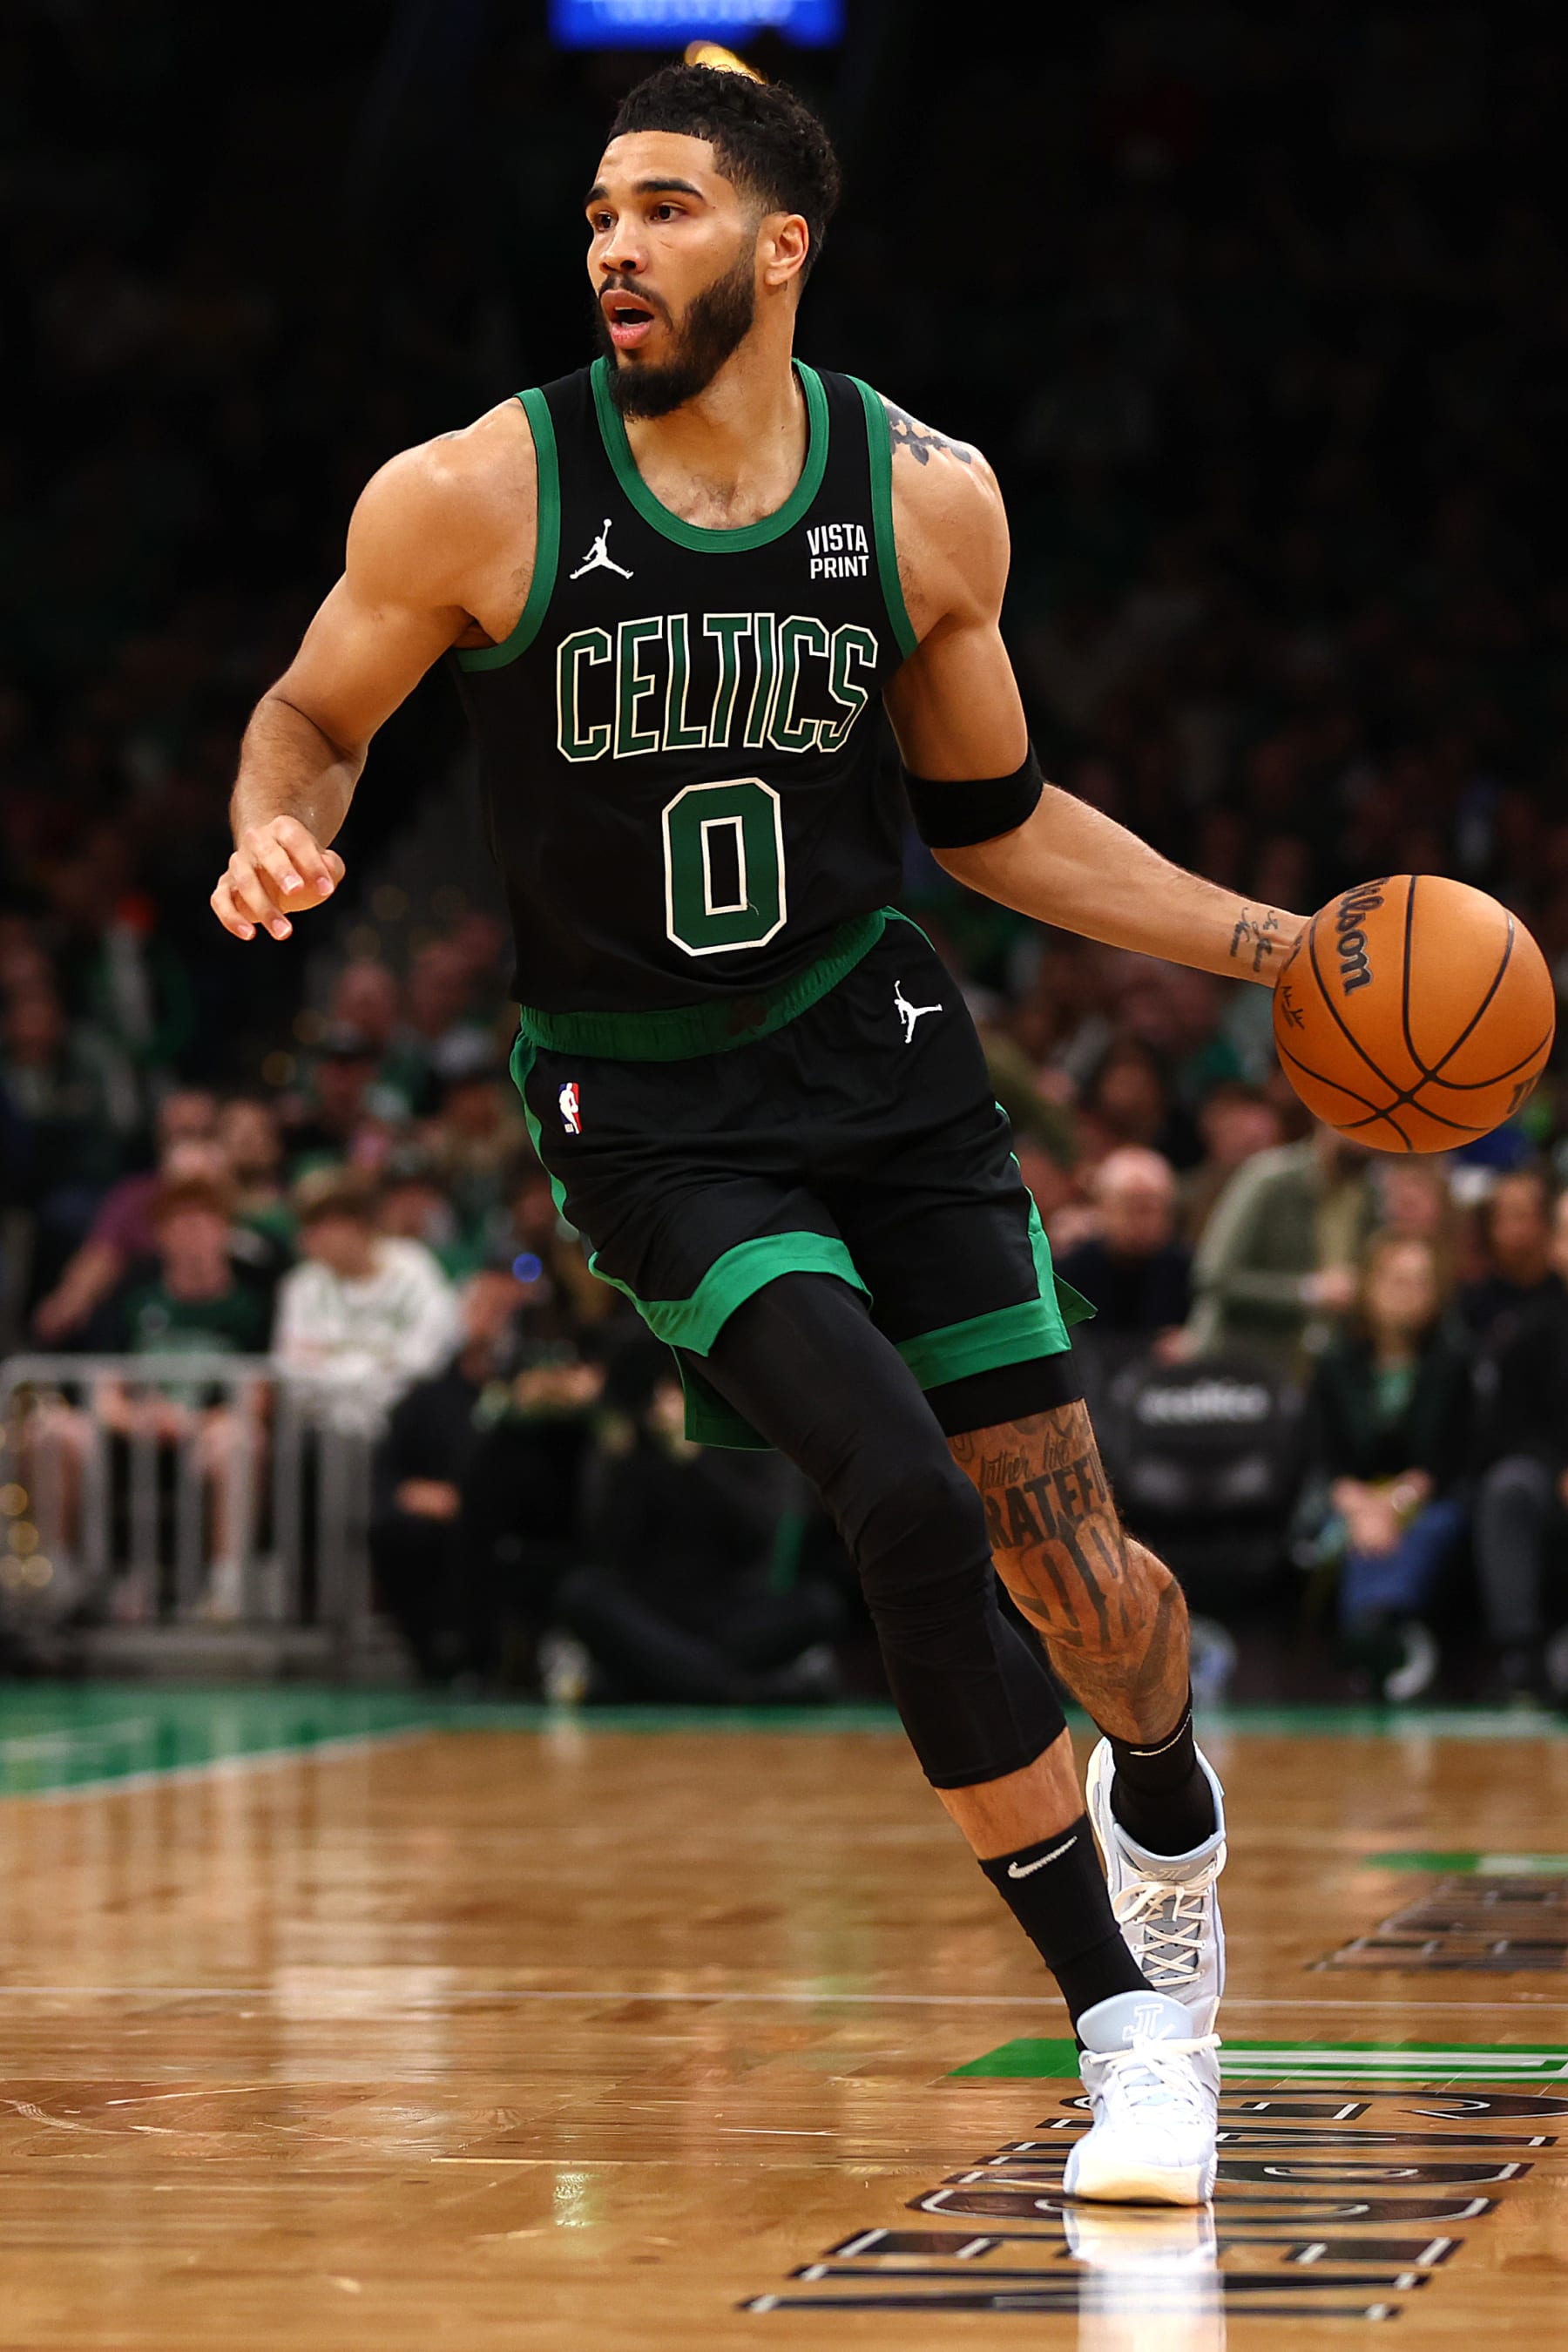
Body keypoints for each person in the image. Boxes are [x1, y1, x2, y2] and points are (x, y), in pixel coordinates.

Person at [208, 62, 1317, 2202]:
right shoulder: (475, 492)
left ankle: (1170, 1801)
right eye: (598, 214)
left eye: (666, 207)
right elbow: (311, 714)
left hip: (884, 1067)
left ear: (783, 245)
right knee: (899, 1493)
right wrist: (276, 818)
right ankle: (1127, 2032)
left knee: (1077, 1575)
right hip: (650, 1110)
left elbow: (994, 823)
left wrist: (1270, 943)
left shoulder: (924, 499)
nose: (614, 246)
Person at [553, 1364, 841, 1706]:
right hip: (654, 1612)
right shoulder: (638, 1450)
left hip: (732, 1610)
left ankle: (657, 1681)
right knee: (580, 1593)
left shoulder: (751, 1440)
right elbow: (609, 1543)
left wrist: (695, 1459)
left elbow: (756, 1535)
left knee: (820, 1605)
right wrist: (618, 1462)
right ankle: (745, 1691)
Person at [1297, 1233, 1472, 1704]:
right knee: (1354, 1534)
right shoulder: (1335, 1363)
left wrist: (1396, 1503)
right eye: (1397, 1281)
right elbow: (1321, 1454)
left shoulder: (1454, 1361)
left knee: (1422, 1530)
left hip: (1428, 1499)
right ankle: (1376, 1634)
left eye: (1420, 1282)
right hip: (1349, 1499)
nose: (1408, 1293)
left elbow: (1453, 1457)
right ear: (1369, 1288)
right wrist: (1360, 1505)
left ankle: (1373, 1632)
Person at [1470, 1183, 1568, 1703]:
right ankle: (1519, 1653)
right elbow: (1510, 1429)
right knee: (1508, 1487)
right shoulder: (1529, 1329)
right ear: (1553, 1246)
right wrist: (1558, 1470)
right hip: (1550, 1479)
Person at [272, 1168, 460, 1438]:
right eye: (306, 1227)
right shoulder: (303, 1285)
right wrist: (377, 1365)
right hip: (325, 1435)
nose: (308, 1239)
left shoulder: (414, 1267)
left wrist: (338, 1364)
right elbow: (295, 1370)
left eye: (321, 1226)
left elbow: (425, 1358)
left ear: (357, 1224)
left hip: (406, 1428)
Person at [1186, 1123, 1377, 1371]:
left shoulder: (1369, 1194)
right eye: (1357, 1123)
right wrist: (1308, 1292)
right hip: (1236, 1367)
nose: (1363, 1140)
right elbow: (1214, 1277)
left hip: (1312, 1368)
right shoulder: (1270, 1179)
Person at [1054, 1147, 1192, 1368]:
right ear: (1103, 1207)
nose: (1142, 1220)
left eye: (1152, 1207)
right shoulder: (1069, 1274)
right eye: (1131, 1206)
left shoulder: (1191, 1272)